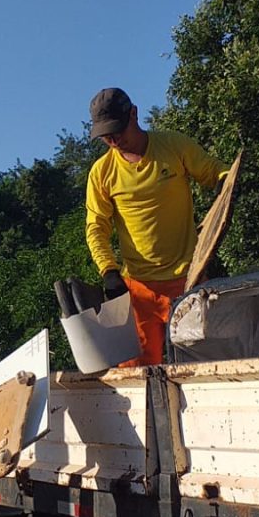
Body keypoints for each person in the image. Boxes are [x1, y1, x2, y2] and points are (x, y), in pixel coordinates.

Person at [85, 87, 229, 365]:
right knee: (136, 373)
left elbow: (214, 171)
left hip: (189, 280)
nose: (113, 141)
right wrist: (108, 271)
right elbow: (96, 227)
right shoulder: (101, 173)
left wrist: (226, 180)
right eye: (105, 136)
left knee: (203, 364)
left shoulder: (173, 146)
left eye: (117, 130)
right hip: (138, 290)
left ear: (134, 114)